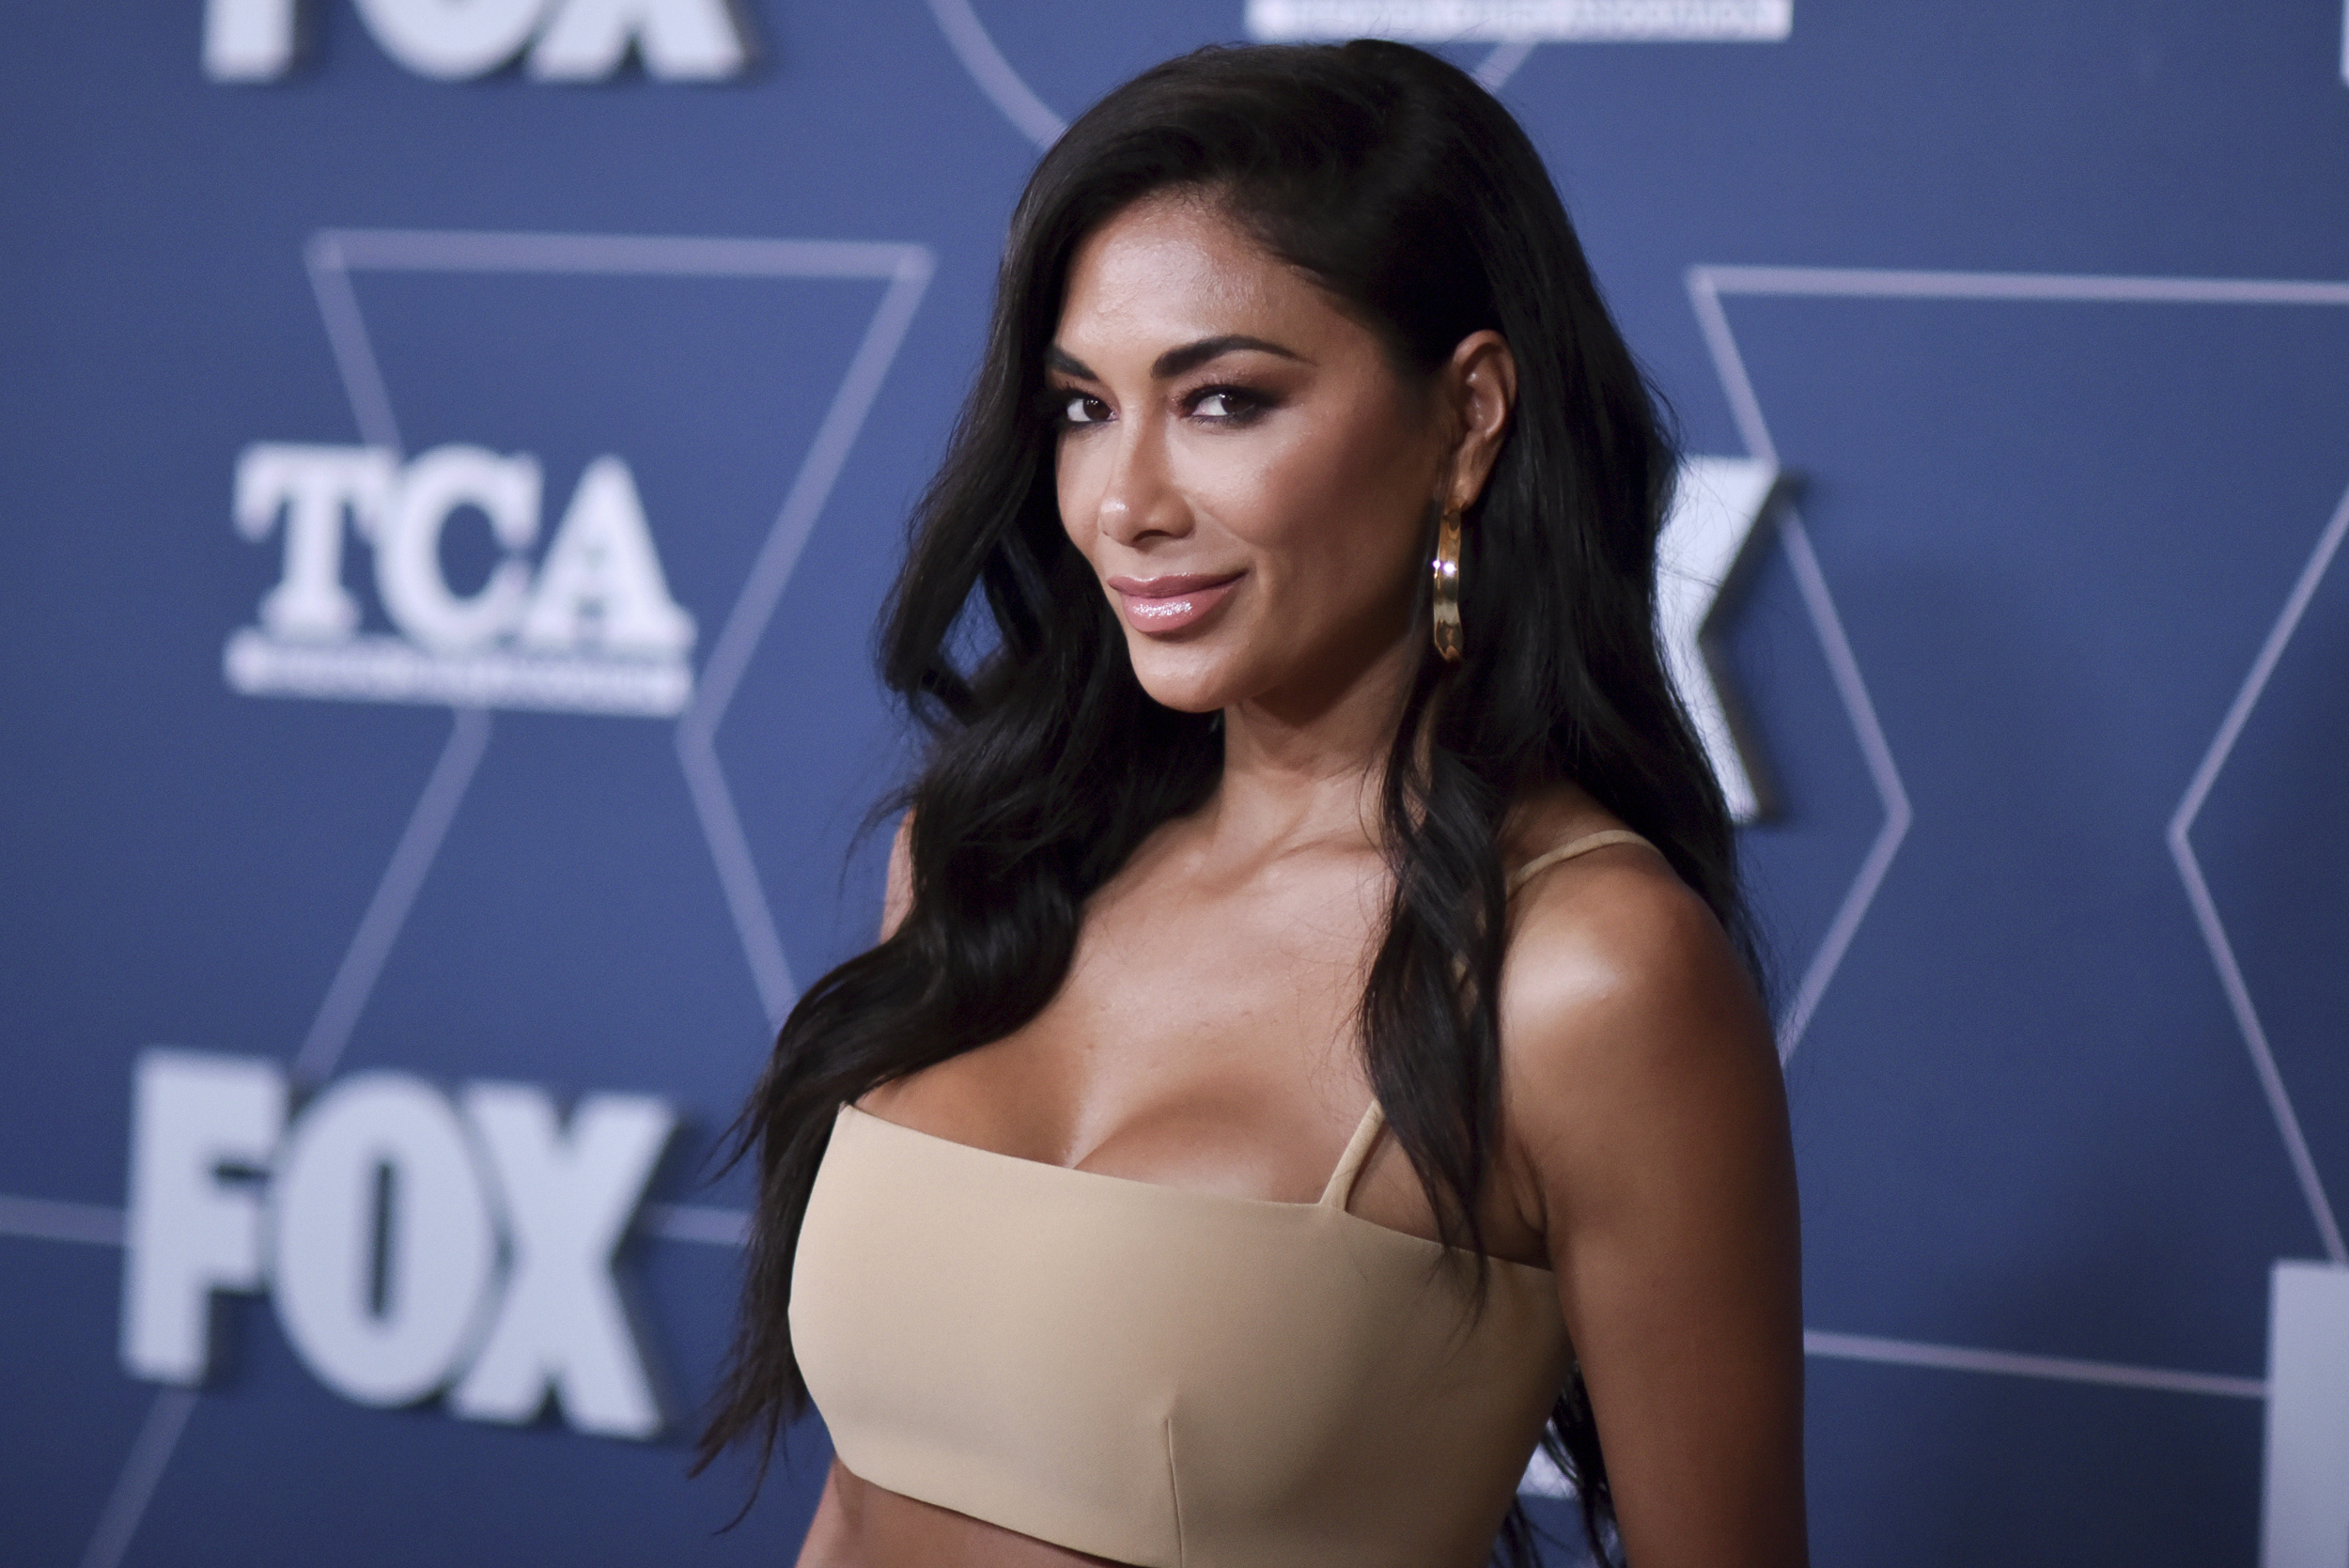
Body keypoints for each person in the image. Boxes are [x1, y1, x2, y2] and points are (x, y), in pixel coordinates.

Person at [699, 39, 1807, 1568]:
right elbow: (861, 1501)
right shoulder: (990, 860)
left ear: (1469, 417)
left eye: (1222, 401)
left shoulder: (1584, 974)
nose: (1123, 503)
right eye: (1082, 408)